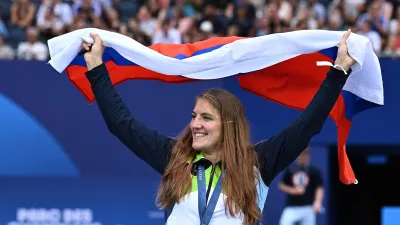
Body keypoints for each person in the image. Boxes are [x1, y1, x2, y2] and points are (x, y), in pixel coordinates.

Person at [80, 29, 356, 225]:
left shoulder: (258, 163)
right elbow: (122, 124)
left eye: (206, 118)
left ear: (229, 125)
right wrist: (95, 69)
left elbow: (308, 124)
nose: (195, 124)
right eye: (194, 115)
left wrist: (339, 70)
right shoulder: (174, 157)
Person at [278, 147, 324, 225]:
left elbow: (319, 188)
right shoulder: (290, 169)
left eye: (303, 155)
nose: (301, 157)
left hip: (308, 207)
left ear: (308, 155)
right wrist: (293, 190)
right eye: (299, 155)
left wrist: (318, 202)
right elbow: (281, 185)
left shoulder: (314, 170)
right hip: (291, 207)